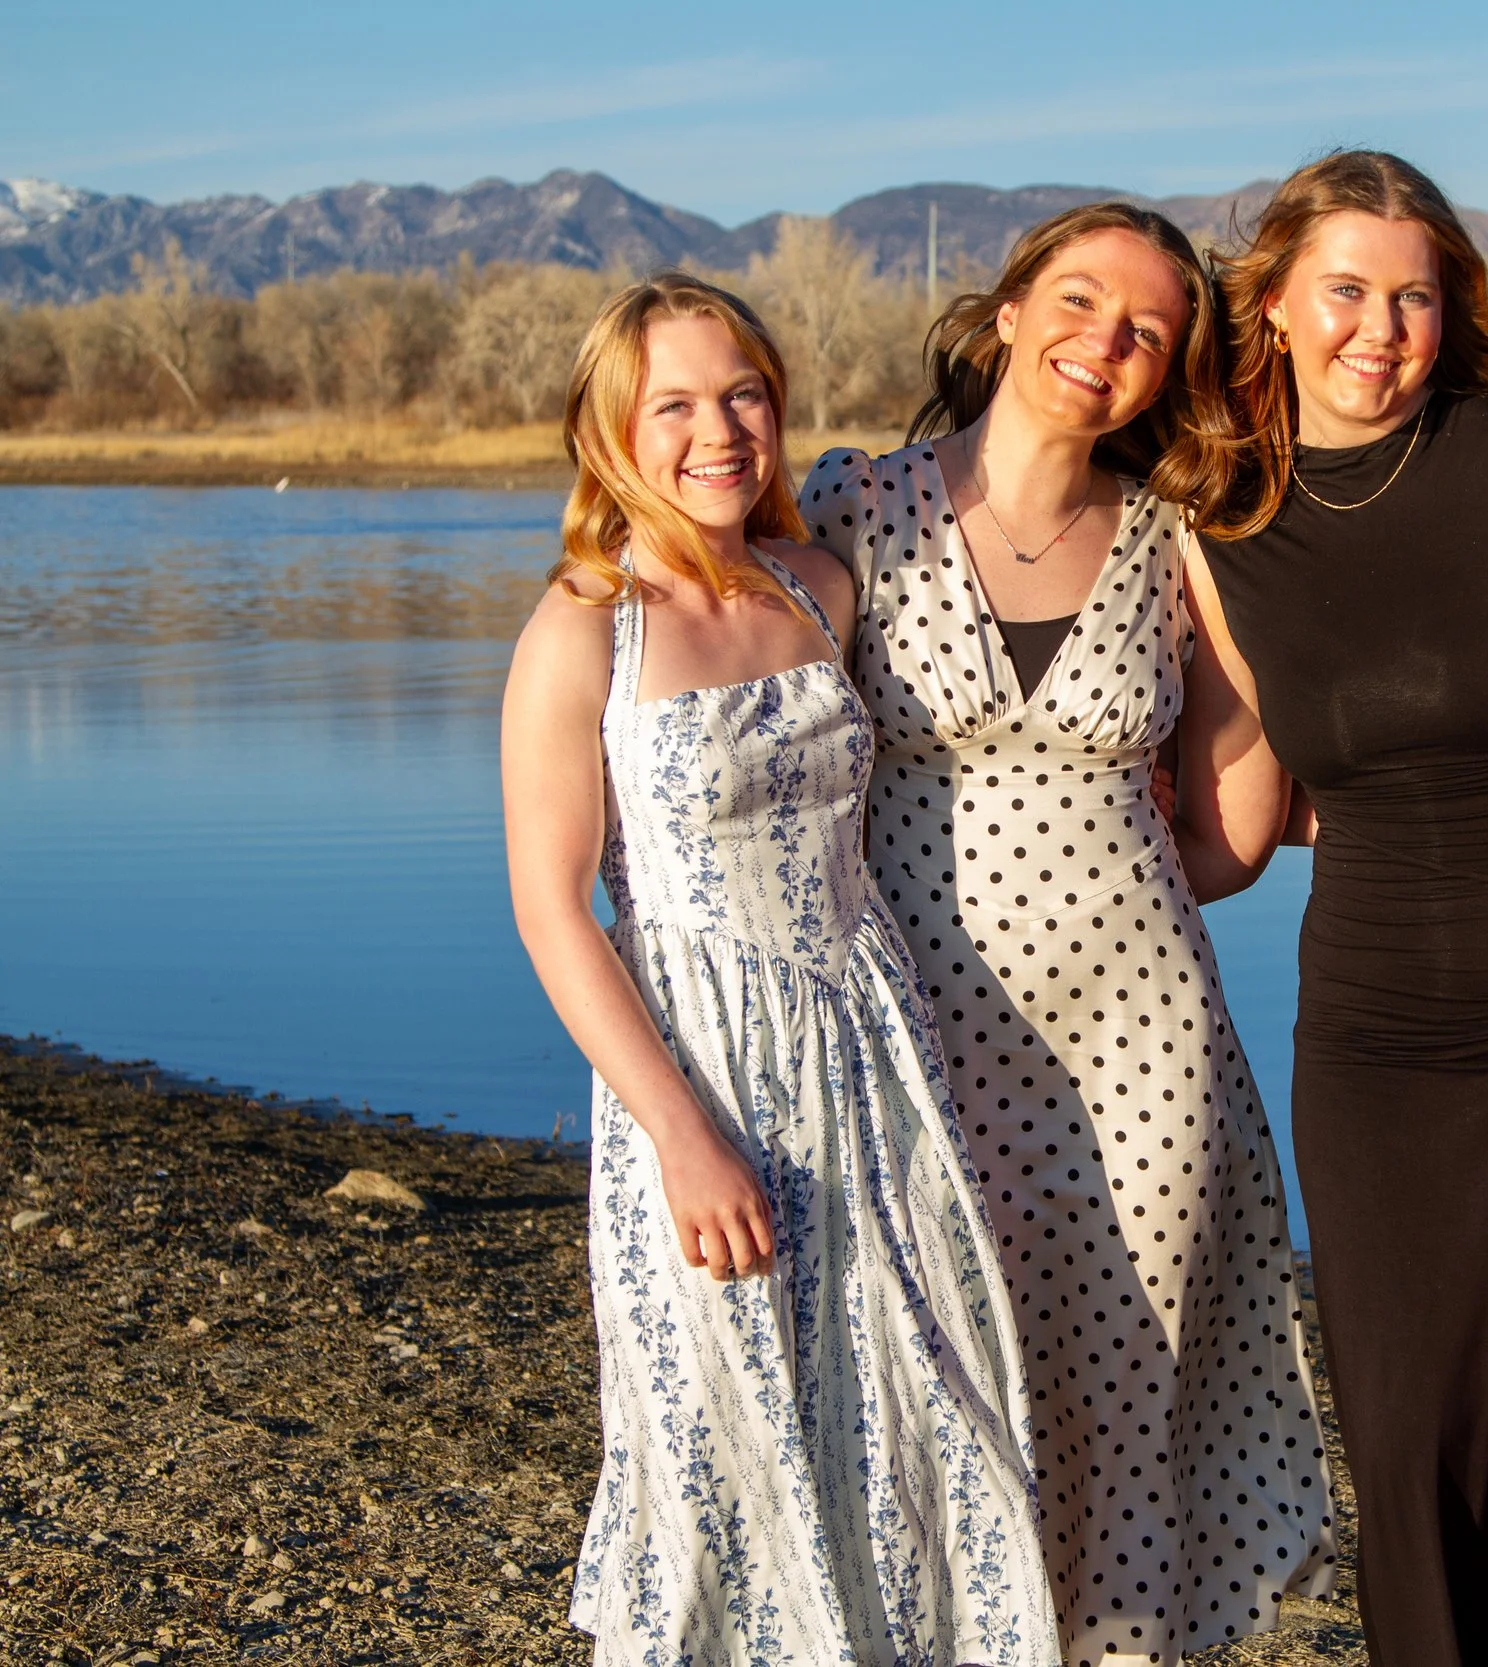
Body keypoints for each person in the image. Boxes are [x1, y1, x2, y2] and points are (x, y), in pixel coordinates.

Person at [795, 204, 1334, 1667]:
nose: (1105, 342)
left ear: (1168, 372)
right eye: (1081, 300)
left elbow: (1228, 831)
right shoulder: (851, 505)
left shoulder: (1183, 544)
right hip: (917, 1040)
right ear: (1012, 309)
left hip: (1139, 1046)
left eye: (1147, 329)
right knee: (941, 1365)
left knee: (1121, 1375)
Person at [503, 272, 1056, 1666]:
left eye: (742, 393)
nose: (718, 429)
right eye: (673, 402)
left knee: (906, 1412)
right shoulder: (583, 627)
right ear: (609, 429)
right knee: (720, 1438)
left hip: (869, 1052)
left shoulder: (817, 588)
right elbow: (552, 910)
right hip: (700, 1066)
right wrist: (681, 1137)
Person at [1177, 151, 1488, 1667]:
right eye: (1346, 292)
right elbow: (1247, 814)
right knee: (1405, 1437)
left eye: (1416, 296)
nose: (1382, 329)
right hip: (1378, 1039)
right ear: (1270, 305)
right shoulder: (1221, 527)